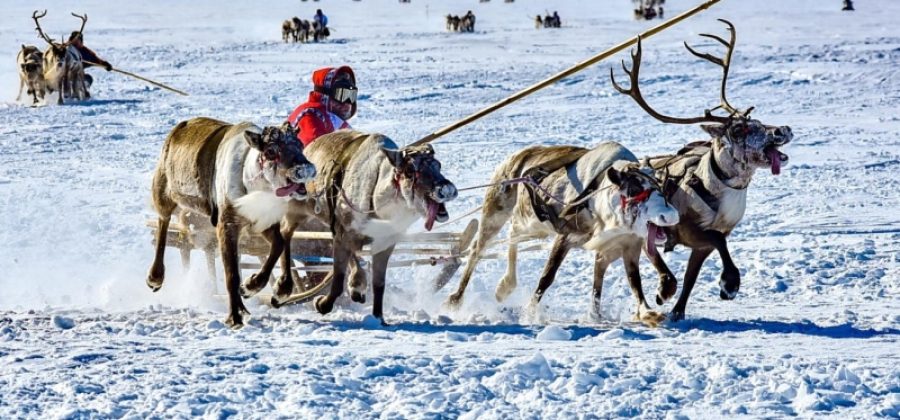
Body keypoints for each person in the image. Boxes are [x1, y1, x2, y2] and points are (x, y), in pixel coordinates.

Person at [287, 66, 358, 146]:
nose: (347, 103)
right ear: (325, 94)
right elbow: (315, 152)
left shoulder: (332, 118)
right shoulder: (311, 116)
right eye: (341, 95)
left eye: (351, 95)